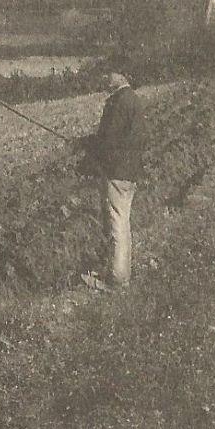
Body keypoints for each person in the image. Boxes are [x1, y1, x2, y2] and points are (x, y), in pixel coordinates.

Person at [77, 64, 144, 293]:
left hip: (116, 172)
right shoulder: (133, 100)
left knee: (117, 224)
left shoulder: (118, 102)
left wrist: (86, 144)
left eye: (110, 73)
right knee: (121, 222)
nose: (107, 77)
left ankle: (117, 280)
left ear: (121, 74)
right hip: (129, 172)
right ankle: (118, 273)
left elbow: (109, 140)